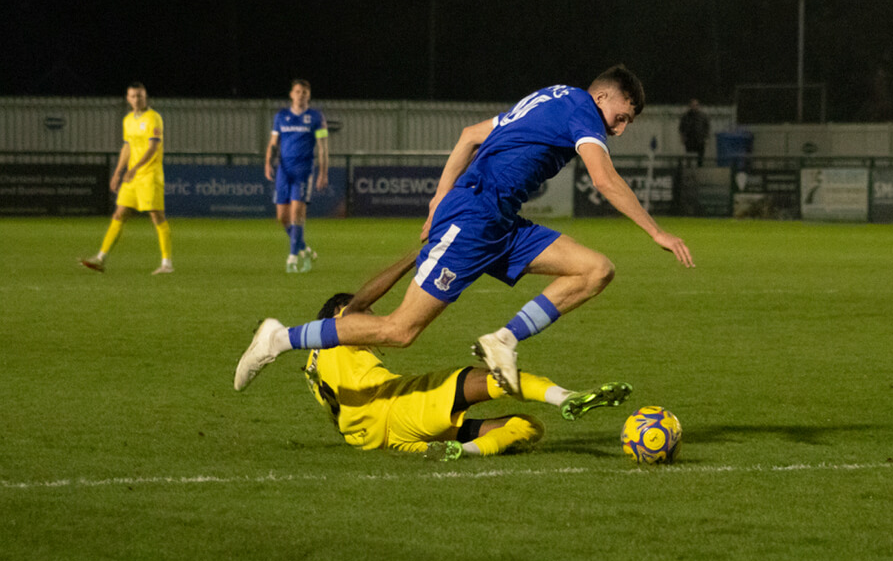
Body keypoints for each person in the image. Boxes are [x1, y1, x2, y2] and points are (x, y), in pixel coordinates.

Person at [236, 65, 694, 396]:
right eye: (624, 114)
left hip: (500, 223)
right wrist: (656, 232)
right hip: (475, 218)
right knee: (399, 330)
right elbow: (604, 179)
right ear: (604, 97)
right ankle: (280, 338)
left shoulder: (552, 96)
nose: (622, 126)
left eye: (629, 122)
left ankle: (504, 339)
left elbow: (470, 133)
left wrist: (438, 198)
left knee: (595, 270)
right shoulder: (583, 112)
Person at [236, 248, 634, 461]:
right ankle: (564, 396)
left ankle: (464, 450)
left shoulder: (312, 366)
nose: (371, 323)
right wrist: (416, 256)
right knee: (490, 378)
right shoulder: (341, 326)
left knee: (526, 427)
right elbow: (362, 300)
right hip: (401, 406)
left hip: (382, 440)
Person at [80, 82, 173, 275]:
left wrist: (136, 168)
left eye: (139, 96)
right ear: (127, 98)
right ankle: (100, 258)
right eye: (132, 96)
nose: (136, 99)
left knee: (157, 216)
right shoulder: (128, 120)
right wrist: (117, 172)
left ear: (145, 97)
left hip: (149, 175)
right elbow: (127, 148)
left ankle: (167, 263)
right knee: (119, 213)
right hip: (132, 176)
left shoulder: (153, 118)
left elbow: (153, 147)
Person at [265, 79, 328, 273]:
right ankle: (304, 250)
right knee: (282, 217)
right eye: (298, 91)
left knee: (296, 215)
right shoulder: (281, 116)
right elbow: (273, 142)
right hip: (284, 171)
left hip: (304, 171)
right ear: (291, 94)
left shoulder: (316, 117)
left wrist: (323, 172)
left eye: (305, 92)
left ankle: (292, 258)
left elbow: (323, 147)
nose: (301, 95)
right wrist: (267, 162)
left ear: (308, 96)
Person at [678, 98, 711, 166]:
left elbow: (707, 127)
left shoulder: (703, 116)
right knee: (689, 159)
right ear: (690, 106)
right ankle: (688, 173)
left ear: (698, 106)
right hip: (689, 141)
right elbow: (681, 128)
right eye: (692, 105)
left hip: (700, 141)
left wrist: (706, 138)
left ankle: (699, 173)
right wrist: (682, 137)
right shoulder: (685, 116)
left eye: (696, 105)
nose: (694, 107)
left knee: (700, 159)